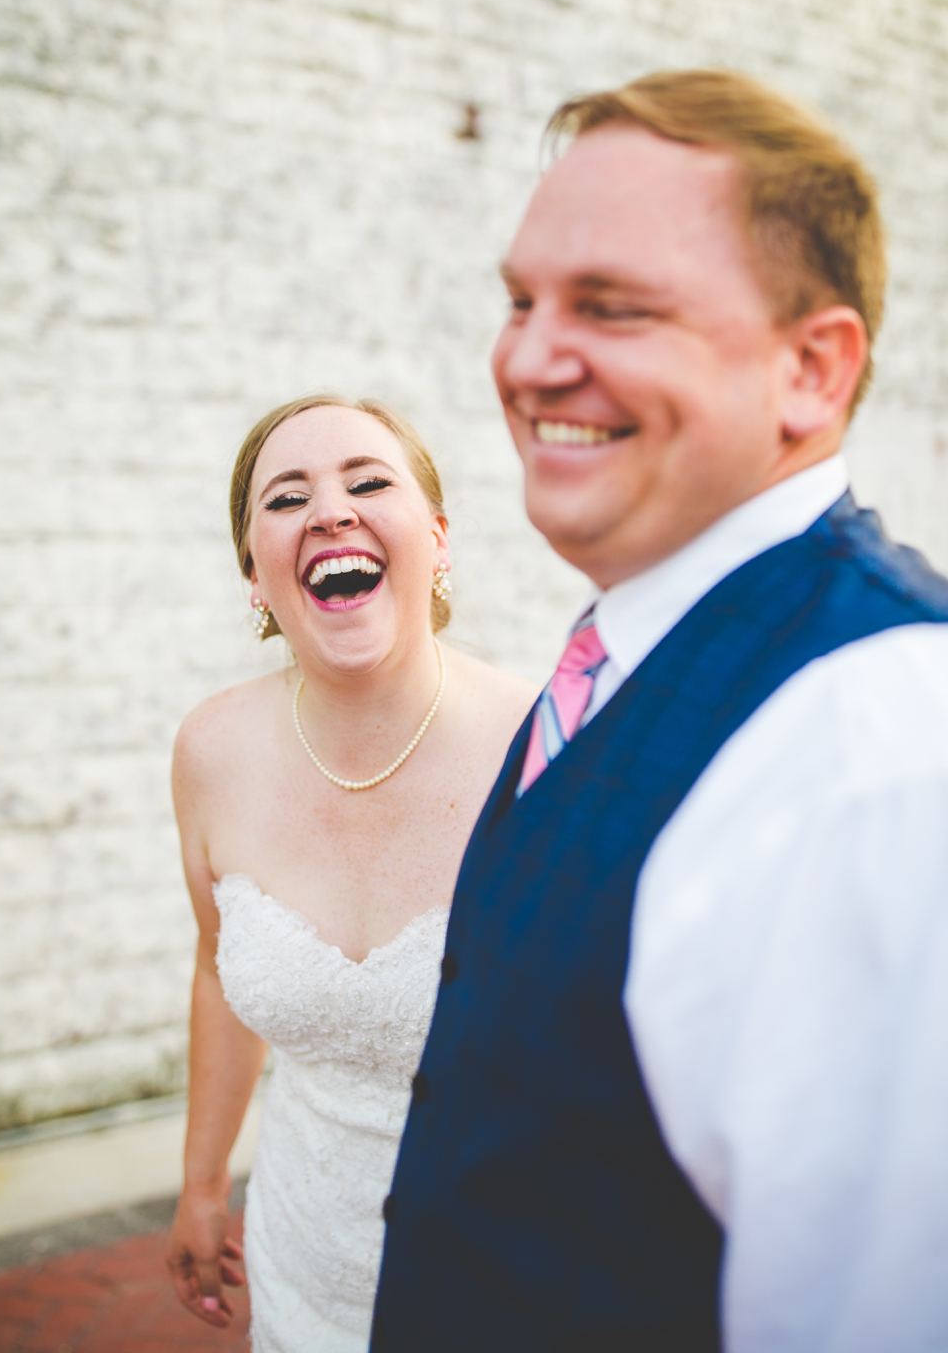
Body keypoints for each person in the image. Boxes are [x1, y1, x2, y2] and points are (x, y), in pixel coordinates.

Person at [372, 71, 948, 1352]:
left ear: (811, 368)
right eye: (520, 300)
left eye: (614, 308)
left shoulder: (883, 749)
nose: (526, 359)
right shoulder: (626, 646)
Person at [165, 394, 536, 1351]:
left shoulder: (544, 748)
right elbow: (219, 968)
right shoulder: (211, 751)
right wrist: (204, 1185)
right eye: (286, 498)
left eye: (369, 483)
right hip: (301, 1265)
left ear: (438, 541)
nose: (331, 511)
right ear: (255, 575)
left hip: (507, 1272)